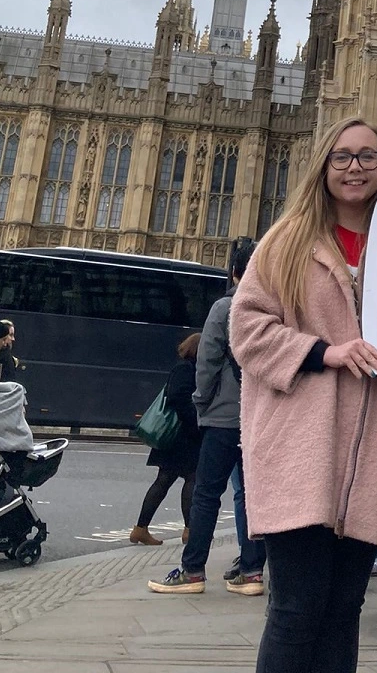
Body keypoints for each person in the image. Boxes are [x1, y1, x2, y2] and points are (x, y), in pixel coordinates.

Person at [230, 117, 377, 673]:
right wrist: (323, 352)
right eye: (342, 157)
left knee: (344, 610)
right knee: (295, 609)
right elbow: (247, 330)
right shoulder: (288, 240)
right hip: (299, 455)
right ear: (324, 166)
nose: (355, 167)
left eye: (367, 156)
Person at [148, 241, 266, 595]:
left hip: (225, 418)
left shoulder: (225, 307)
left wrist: (203, 403)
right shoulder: (275, 308)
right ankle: (252, 571)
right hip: (260, 419)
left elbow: (208, 362)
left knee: (206, 494)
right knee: (252, 495)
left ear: (234, 272)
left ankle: (193, 570)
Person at [131, 332, 203, 545]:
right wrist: (195, 422)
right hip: (182, 436)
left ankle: (140, 528)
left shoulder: (184, 368)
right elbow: (178, 398)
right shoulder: (186, 369)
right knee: (192, 478)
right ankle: (189, 530)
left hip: (174, 437)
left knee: (164, 480)